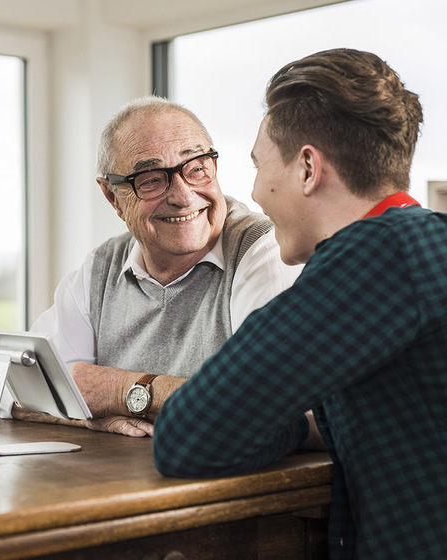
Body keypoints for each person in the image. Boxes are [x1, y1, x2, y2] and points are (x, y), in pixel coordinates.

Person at [79, 48, 445, 559]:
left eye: (257, 164)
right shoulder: (418, 246)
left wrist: (275, 419)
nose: (252, 191)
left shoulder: (376, 255)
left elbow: (189, 436)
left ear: (308, 169)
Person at [9, 96, 301, 436]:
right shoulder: (101, 267)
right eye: (150, 179)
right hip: (120, 481)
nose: (183, 195)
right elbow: (10, 387)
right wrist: (87, 416)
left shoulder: (263, 248)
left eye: (197, 168)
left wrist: (122, 391)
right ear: (112, 197)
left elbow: (263, 405)